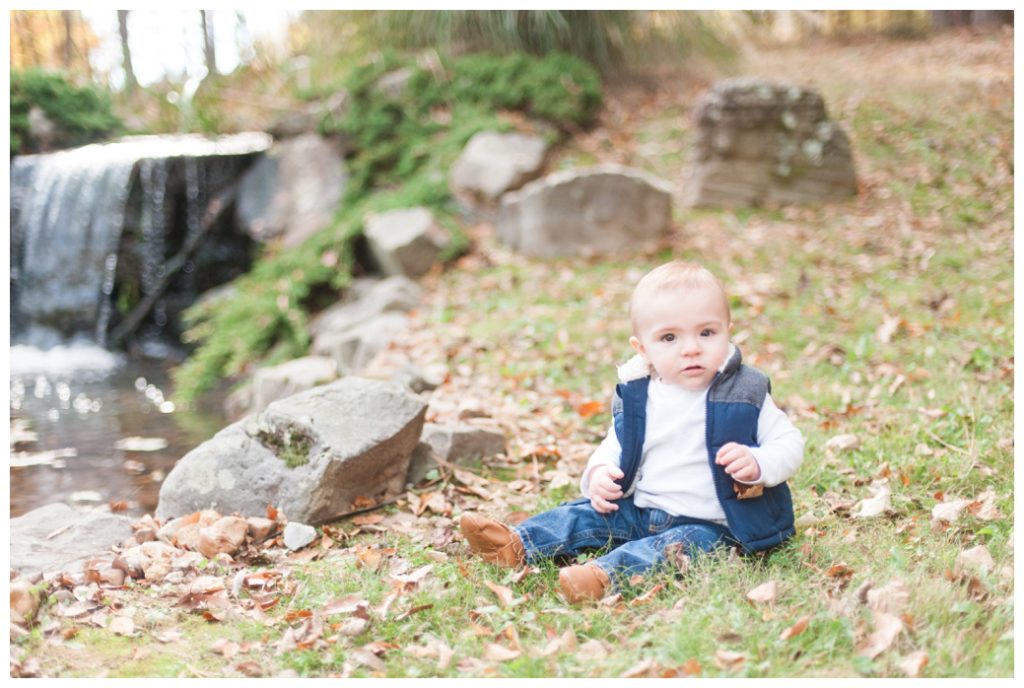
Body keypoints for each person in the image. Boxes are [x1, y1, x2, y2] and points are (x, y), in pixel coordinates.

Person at [459, 261, 805, 603]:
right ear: (643, 349)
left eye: (707, 333)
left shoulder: (745, 393)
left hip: (716, 524)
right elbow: (616, 444)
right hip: (641, 509)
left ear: (728, 331)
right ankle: (517, 543)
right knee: (582, 515)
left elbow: (789, 443)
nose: (691, 348)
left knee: (673, 549)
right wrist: (598, 474)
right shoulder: (640, 393)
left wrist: (758, 463)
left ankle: (602, 577)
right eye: (669, 337)